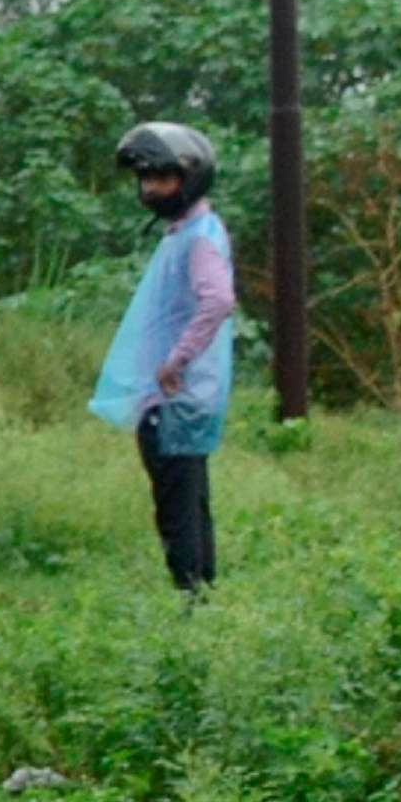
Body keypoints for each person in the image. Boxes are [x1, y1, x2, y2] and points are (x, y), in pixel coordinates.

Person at [94, 120, 235, 595]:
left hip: (175, 397)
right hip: (178, 396)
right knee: (189, 501)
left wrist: (176, 361)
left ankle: (191, 598)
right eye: (146, 179)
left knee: (178, 506)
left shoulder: (197, 238)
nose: (151, 188)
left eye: (162, 178)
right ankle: (202, 596)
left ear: (189, 178)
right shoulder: (191, 231)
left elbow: (217, 300)